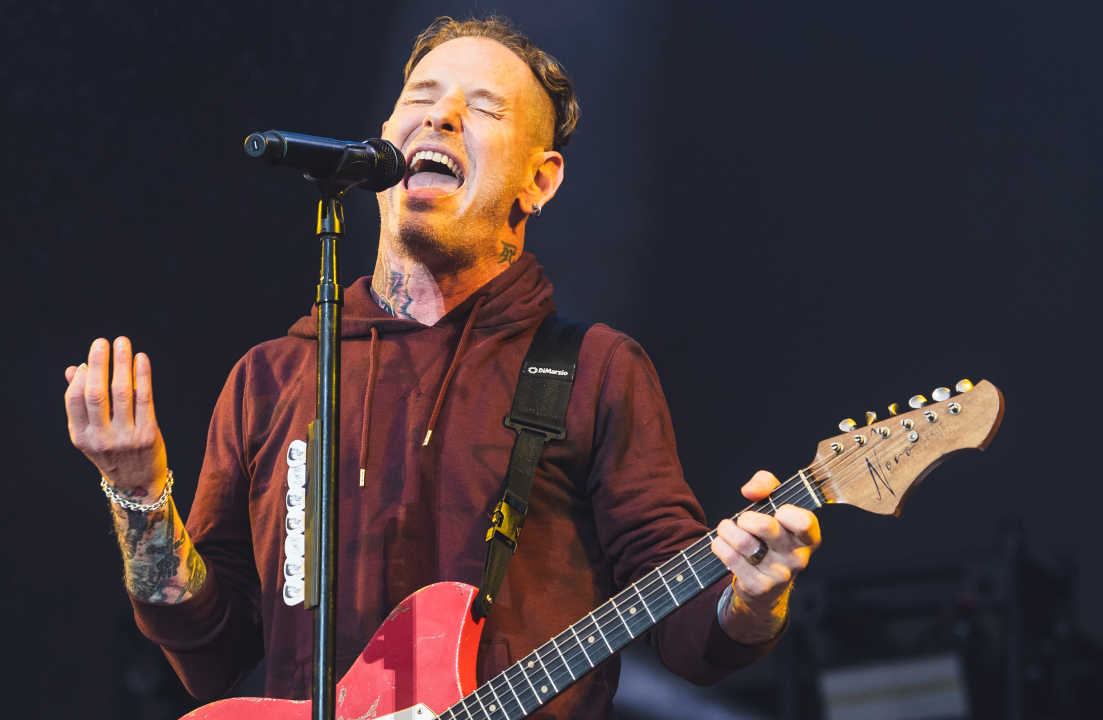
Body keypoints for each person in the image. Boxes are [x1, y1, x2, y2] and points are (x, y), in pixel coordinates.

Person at [63, 17, 821, 718]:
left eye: (483, 109)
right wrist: (137, 495)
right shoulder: (272, 378)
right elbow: (211, 649)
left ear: (541, 180)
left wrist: (751, 598)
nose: (443, 115)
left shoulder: (593, 369)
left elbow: (688, 628)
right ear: (385, 140)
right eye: (421, 97)